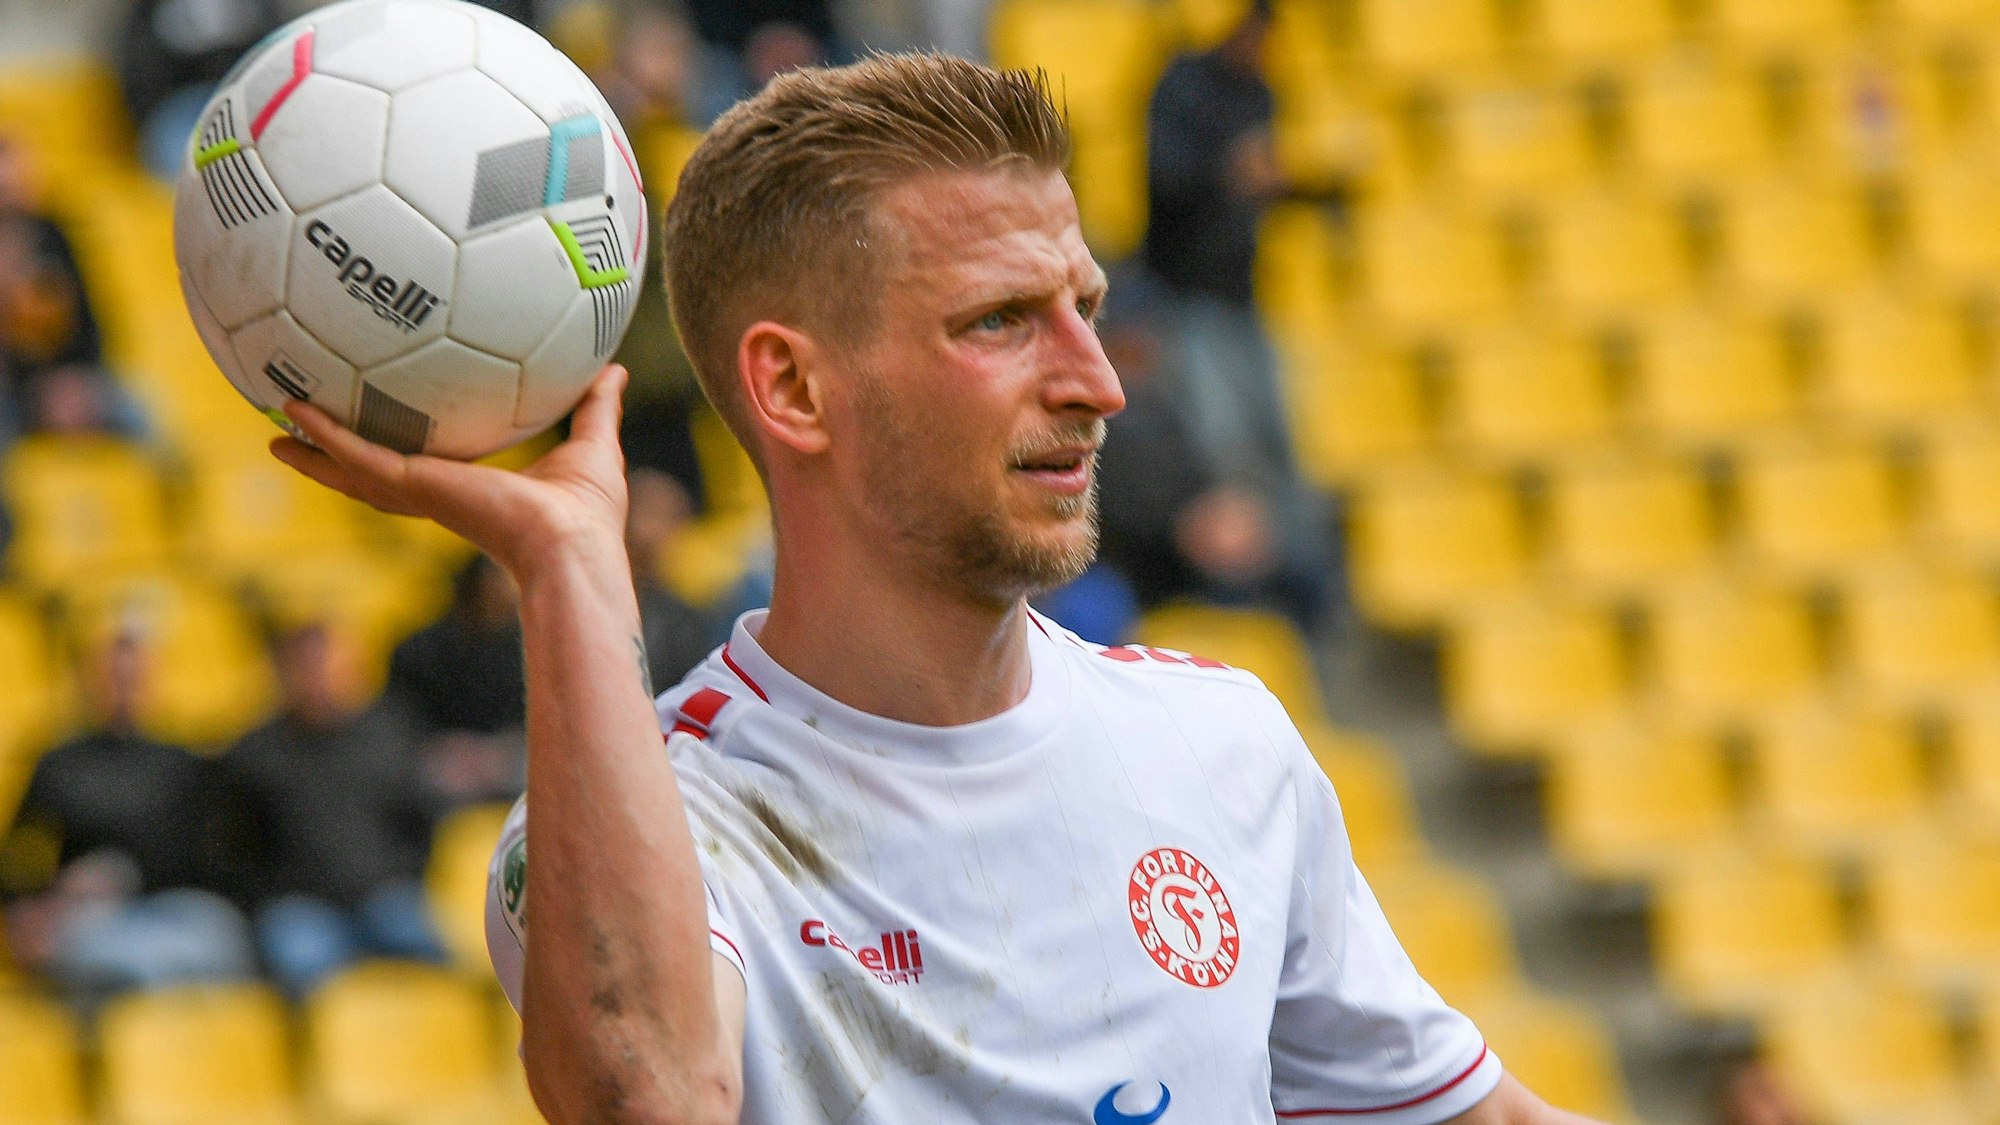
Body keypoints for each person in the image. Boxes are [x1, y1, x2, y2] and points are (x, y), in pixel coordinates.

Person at [270, 52, 1604, 1125]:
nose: (1099, 380)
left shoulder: (1226, 743)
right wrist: (568, 572)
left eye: (1083, 303)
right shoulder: (636, 829)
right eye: (1002, 320)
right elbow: (648, 1096)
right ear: (793, 387)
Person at [2, 625, 254, 1001]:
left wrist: (127, 876)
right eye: (113, 677)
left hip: (170, 909)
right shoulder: (60, 765)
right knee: (134, 966)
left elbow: (212, 859)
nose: (124, 688)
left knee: (224, 941)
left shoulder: (182, 763)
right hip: (87, 916)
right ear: (89, 683)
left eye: (135, 677)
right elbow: (18, 852)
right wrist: (30, 904)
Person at [216, 623, 443, 996]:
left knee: (426, 949)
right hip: (300, 905)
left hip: (382, 895)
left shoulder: (386, 737)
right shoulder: (254, 755)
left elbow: (421, 821)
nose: (318, 678)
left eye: (326, 665)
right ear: (284, 676)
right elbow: (233, 849)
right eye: (306, 667)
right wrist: (269, 895)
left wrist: (400, 873)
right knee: (305, 962)